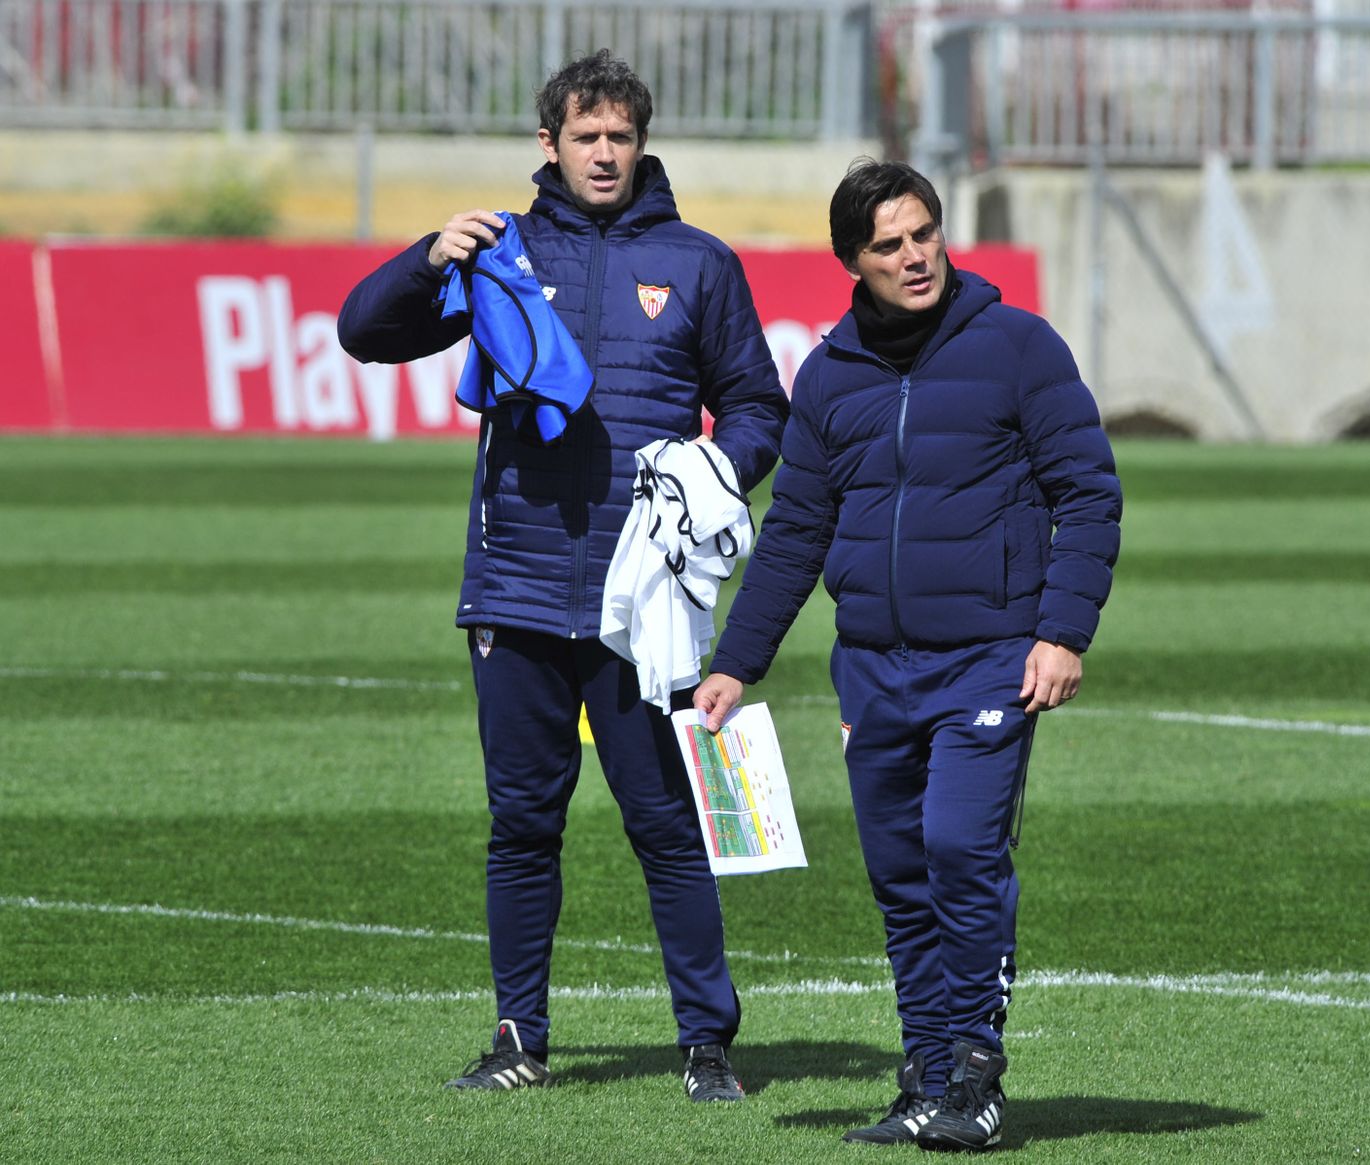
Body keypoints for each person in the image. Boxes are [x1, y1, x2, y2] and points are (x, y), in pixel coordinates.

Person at [338, 49, 788, 1100]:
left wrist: (719, 467)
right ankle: (516, 1039)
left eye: (619, 137)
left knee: (667, 824)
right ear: (548, 144)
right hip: (517, 589)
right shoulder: (497, 251)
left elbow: (760, 405)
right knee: (523, 823)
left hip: (647, 607)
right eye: (583, 136)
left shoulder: (699, 263)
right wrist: (424, 258)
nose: (601, 153)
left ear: (642, 143)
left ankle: (706, 1042)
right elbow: (364, 332)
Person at [693, 159, 1121, 1149]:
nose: (912, 255)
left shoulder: (1016, 346)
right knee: (899, 875)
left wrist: (1061, 631)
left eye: (923, 233)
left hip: (988, 659)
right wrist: (736, 661)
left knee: (961, 851)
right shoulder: (833, 373)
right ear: (853, 260)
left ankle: (974, 1075)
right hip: (872, 668)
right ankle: (925, 1071)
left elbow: (1088, 493)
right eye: (887, 244)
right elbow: (795, 528)